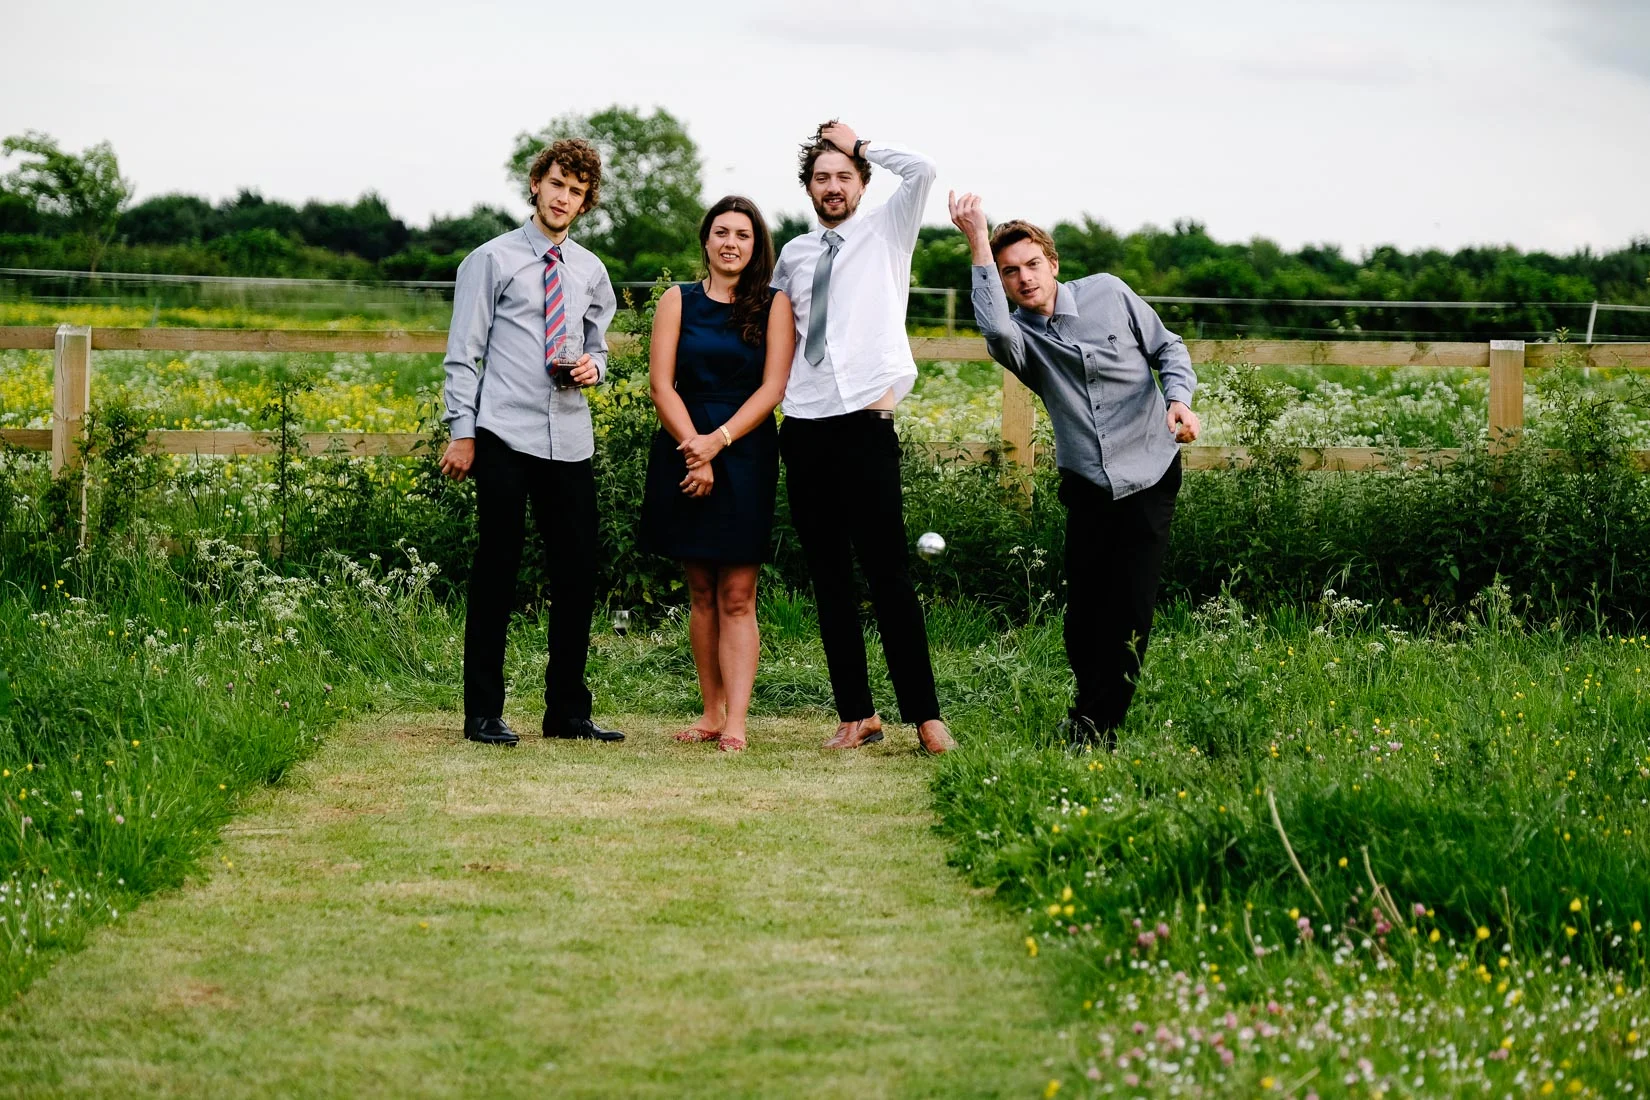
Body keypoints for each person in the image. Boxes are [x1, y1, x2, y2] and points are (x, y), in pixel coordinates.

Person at [949, 192, 1200, 752]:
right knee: (1083, 620)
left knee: (1130, 612)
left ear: (1053, 263)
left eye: (1032, 264)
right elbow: (992, 329)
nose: (1024, 278)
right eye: (1010, 272)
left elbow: (1169, 348)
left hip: (1149, 473)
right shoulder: (1021, 339)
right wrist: (976, 243)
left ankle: (1097, 731)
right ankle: (1087, 712)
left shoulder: (1110, 293)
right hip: (1086, 485)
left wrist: (1178, 400)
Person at [771, 120, 956, 755]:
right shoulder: (792, 256)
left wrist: (859, 142)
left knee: (888, 574)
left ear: (861, 182)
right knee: (828, 577)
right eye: (821, 177)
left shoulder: (887, 230)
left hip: (866, 428)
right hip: (804, 427)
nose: (832, 186)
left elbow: (924, 168)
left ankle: (926, 716)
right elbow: (780, 341)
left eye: (843, 176)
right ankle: (857, 713)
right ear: (809, 188)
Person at [438, 139, 625, 748]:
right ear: (536, 186)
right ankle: (483, 712)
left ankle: (567, 712)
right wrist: (461, 433)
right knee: (498, 568)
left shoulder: (591, 272)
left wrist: (595, 369)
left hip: (569, 439)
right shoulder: (489, 261)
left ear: (585, 201)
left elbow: (598, 346)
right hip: (502, 434)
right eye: (556, 184)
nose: (563, 197)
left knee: (576, 573)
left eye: (576, 190)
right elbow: (463, 355)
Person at [639, 196, 795, 753]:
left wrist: (718, 444)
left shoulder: (774, 305)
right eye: (722, 232)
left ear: (757, 246)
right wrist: (694, 451)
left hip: (745, 451)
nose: (732, 242)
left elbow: (773, 389)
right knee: (700, 589)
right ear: (706, 240)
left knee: (737, 593)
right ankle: (710, 712)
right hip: (684, 447)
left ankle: (737, 721)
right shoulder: (675, 302)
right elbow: (661, 385)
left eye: (744, 235)